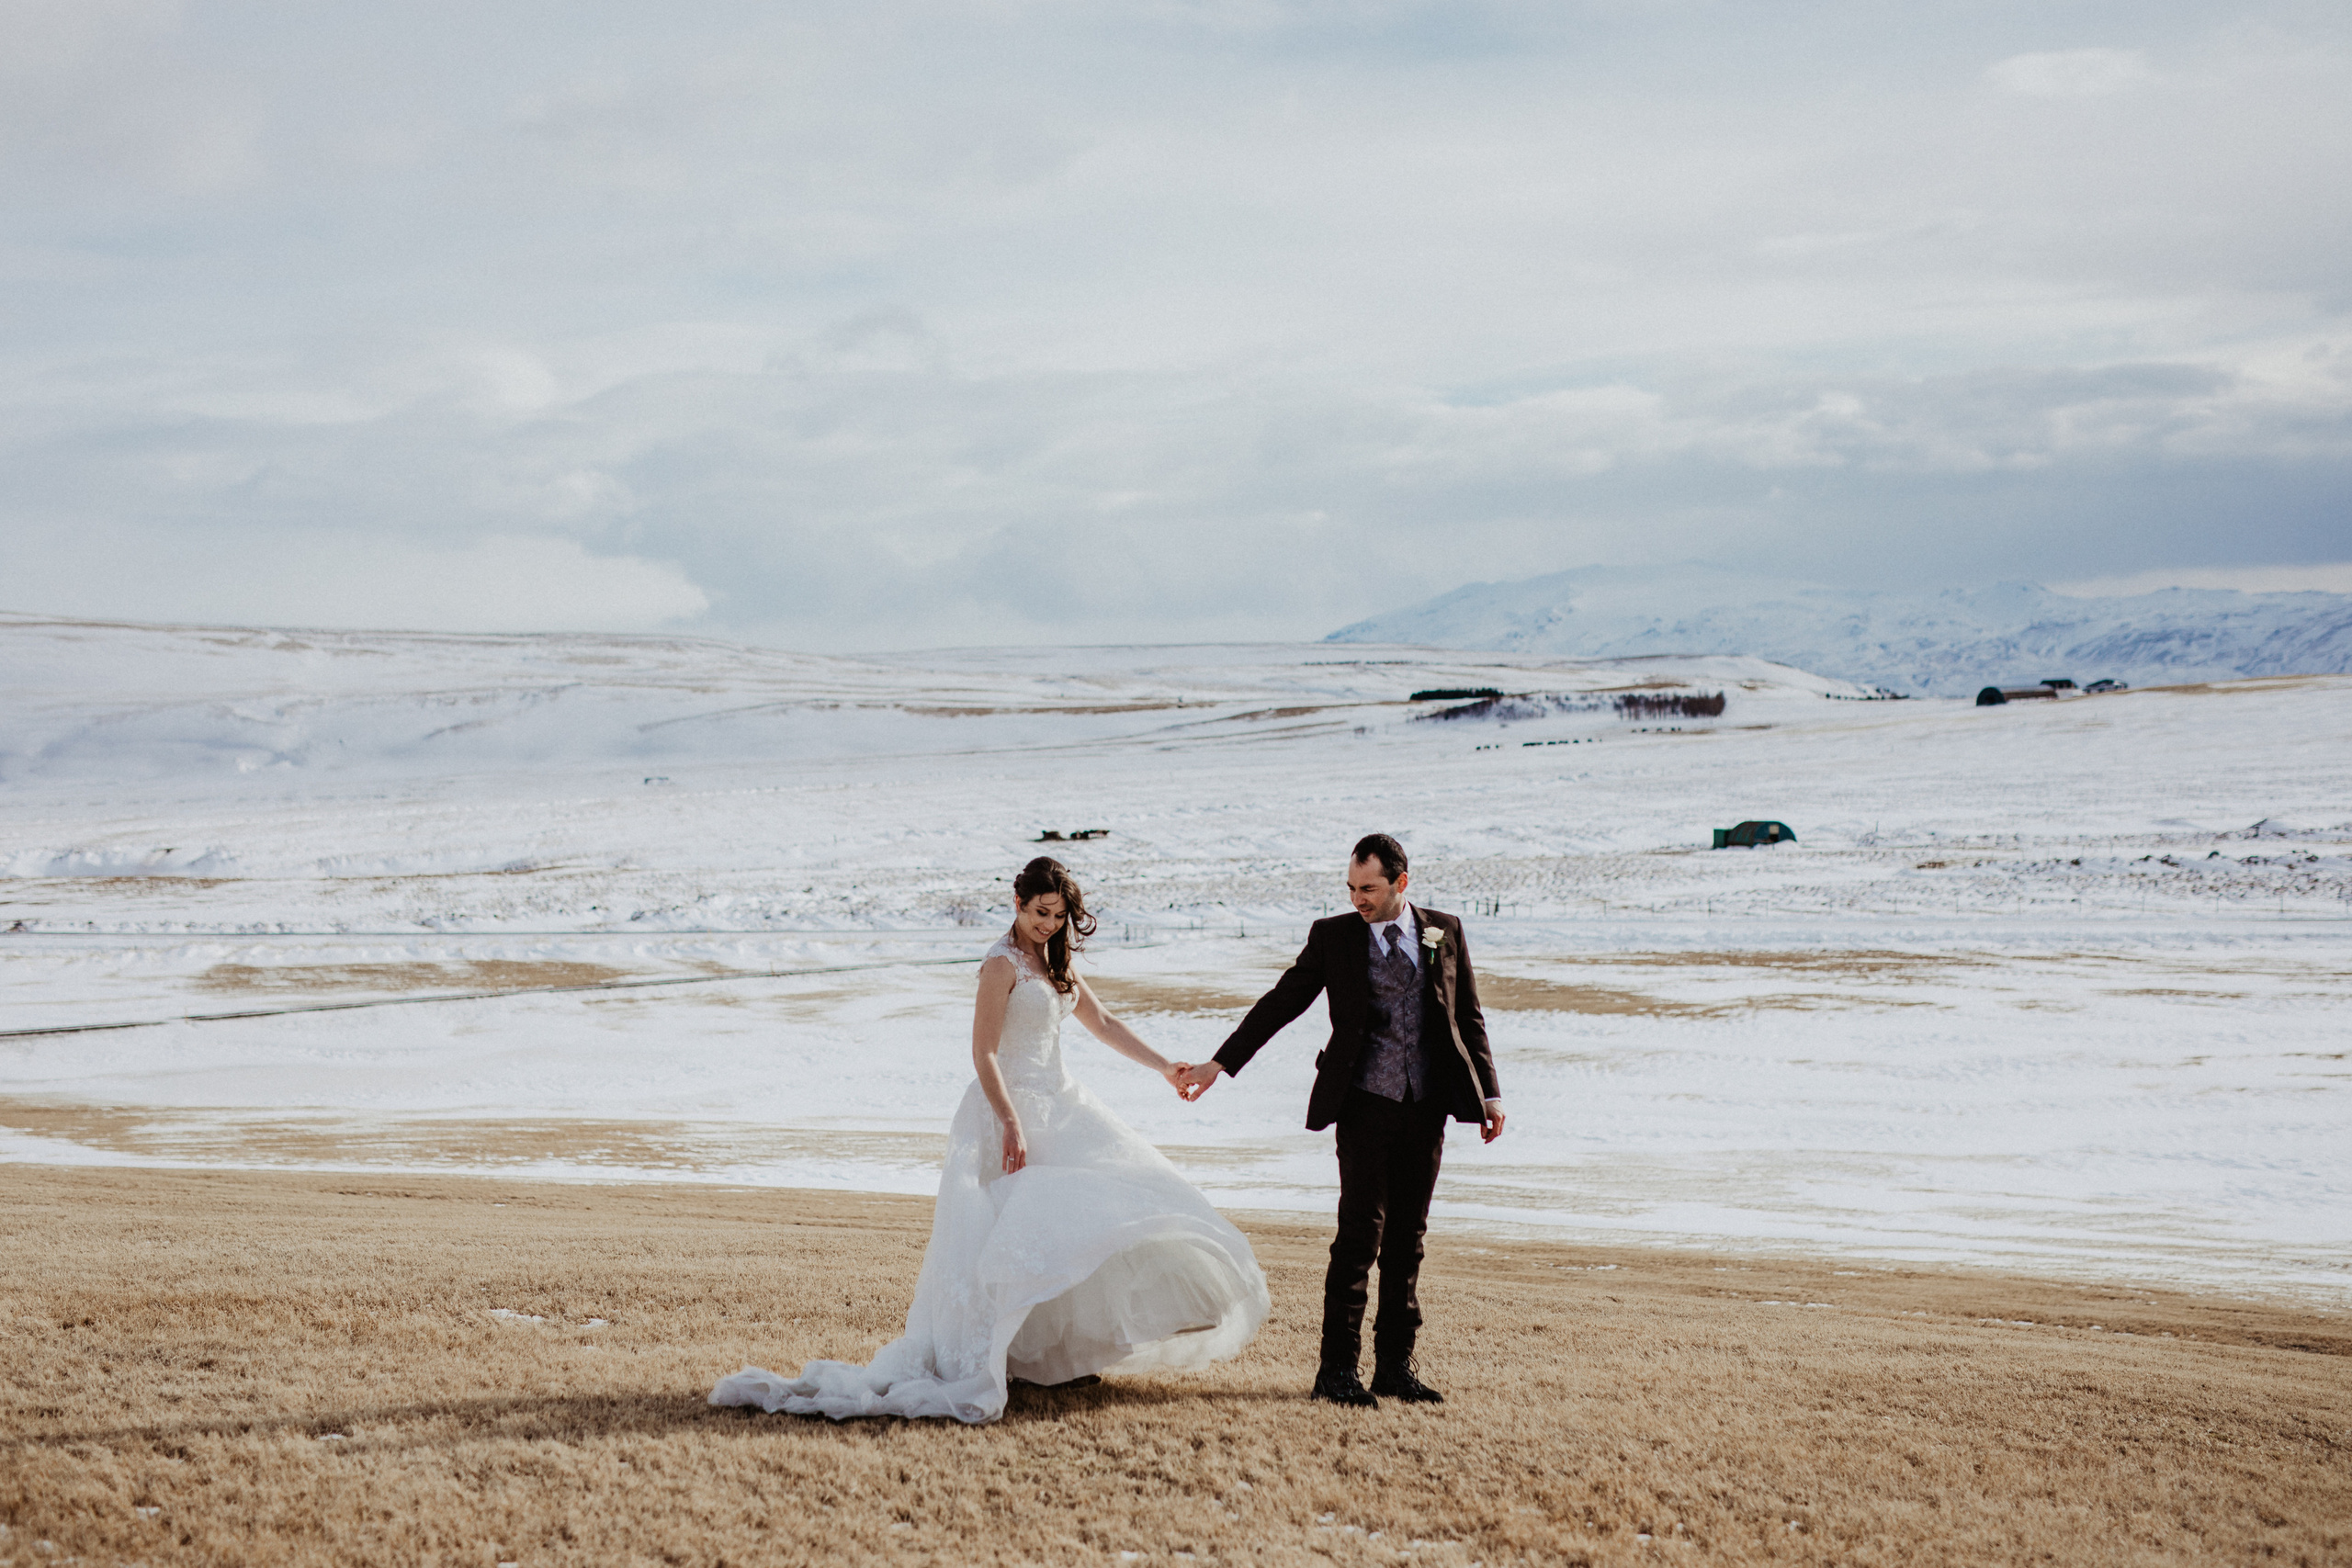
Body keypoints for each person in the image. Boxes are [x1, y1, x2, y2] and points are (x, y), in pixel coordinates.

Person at [711, 856, 1269, 1423]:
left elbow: (1102, 1023)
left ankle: (1058, 1360)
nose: (1049, 924)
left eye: (1059, 915)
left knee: (1084, 1216)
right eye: (1040, 913)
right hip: (1007, 1109)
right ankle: (1000, 1357)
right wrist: (1009, 1120)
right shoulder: (1000, 965)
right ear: (1017, 903)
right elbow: (984, 1053)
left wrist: (1164, 1066)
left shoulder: (1056, 960)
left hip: (1060, 1103)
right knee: (1008, 1236)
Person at [1175, 833, 1502, 1408]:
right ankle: (1337, 1372)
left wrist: (1490, 1094)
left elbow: (1467, 1016)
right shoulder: (1334, 937)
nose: (1358, 899)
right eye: (1351, 888)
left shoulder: (1444, 930)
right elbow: (1282, 1002)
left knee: (1408, 1240)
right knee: (1359, 1237)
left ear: (1401, 882)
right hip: (1363, 1103)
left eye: (1369, 888)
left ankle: (1394, 1368)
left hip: (1425, 1106)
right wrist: (1220, 1064)